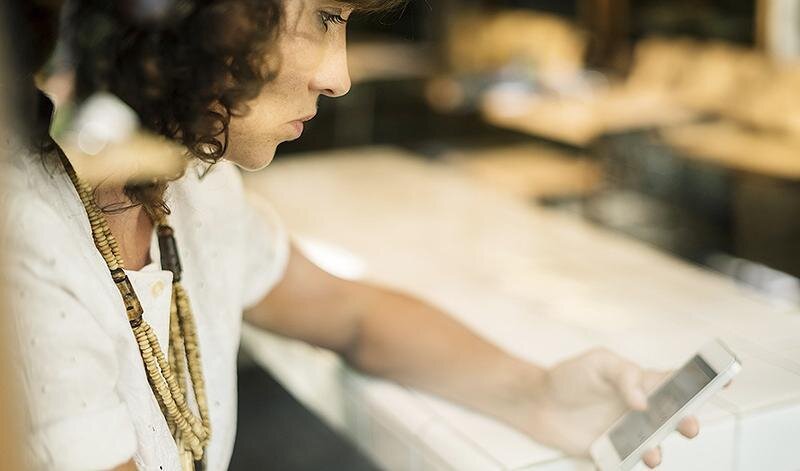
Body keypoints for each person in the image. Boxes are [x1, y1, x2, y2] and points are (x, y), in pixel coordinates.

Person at [5, 0, 699, 470]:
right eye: (324, 17)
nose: (338, 75)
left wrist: (541, 393)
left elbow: (351, 313)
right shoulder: (28, 246)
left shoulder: (194, 186)